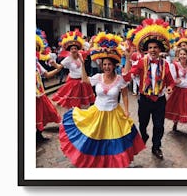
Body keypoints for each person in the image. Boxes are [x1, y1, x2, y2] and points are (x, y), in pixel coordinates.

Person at [59, 32, 145, 168]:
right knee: (94, 137)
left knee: (114, 139)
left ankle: (113, 162)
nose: (106, 67)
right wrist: (82, 64)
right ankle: (96, 160)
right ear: (101, 65)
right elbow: (85, 81)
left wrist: (127, 111)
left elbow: (124, 95)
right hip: (97, 112)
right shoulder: (98, 77)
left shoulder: (119, 80)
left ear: (114, 65)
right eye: (104, 64)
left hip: (113, 113)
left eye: (109, 64)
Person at [123, 18, 175, 160]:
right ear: (147, 49)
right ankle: (144, 135)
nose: (153, 50)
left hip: (159, 101)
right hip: (144, 99)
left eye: (155, 48)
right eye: (150, 47)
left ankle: (156, 147)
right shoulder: (141, 62)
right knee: (143, 124)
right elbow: (129, 75)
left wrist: (170, 88)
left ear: (160, 49)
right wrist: (127, 60)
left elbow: (171, 82)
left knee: (159, 126)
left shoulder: (165, 65)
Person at [52, 29, 95, 109]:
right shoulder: (67, 59)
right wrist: (54, 64)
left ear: (78, 49)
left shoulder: (81, 55)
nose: (74, 50)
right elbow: (59, 67)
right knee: (74, 102)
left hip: (83, 81)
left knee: (84, 101)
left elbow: (88, 52)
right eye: (72, 49)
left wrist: (92, 43)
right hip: (73, 82)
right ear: (70, 50)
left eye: (75, 48)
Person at [36, 29, 62, 142]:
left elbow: (46, 74)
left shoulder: (36, 63)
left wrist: (58, 68)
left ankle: (38, 134)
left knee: (41, 114)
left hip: (39, 94)